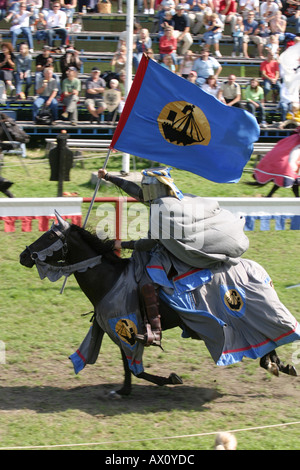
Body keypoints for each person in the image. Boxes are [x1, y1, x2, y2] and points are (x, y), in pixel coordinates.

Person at [97, 166, 249, 347]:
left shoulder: (165, 207)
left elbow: (150, 243)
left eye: (149, 187)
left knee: (147, 280)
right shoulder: (162, 199)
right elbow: (136, 191)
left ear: (160, 187)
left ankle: (155, 330)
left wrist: (122, 244)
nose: (146, 191)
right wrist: (109, 176)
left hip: (170, 252)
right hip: (167, 246)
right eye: (146, 187)